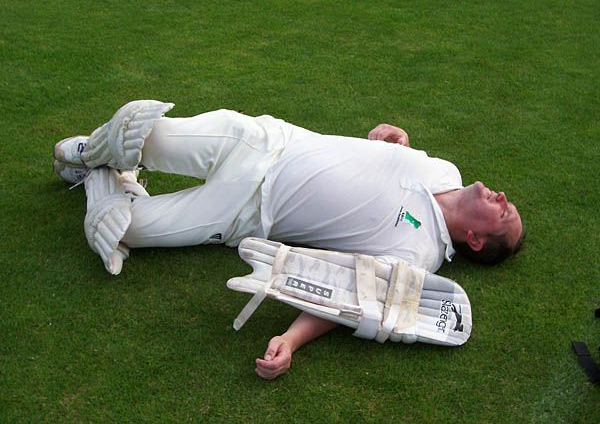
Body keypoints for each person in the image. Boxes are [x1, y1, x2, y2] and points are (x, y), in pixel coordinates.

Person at [53, 100, 524, 379]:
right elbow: (379, 162)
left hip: (246, 212)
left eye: (503, 212)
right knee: (141, 133)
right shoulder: (445, 170)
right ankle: (92, 155)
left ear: (475, 240)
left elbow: (349, 295)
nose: (502, 196)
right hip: (265, 142)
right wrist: (390, 139)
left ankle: (96, 169)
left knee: (122, 230)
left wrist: (291, 340)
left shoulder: (418, 256)